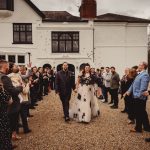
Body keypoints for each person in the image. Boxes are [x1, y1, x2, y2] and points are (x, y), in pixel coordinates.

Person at [0, 60, 22, 150]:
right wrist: (20, 87)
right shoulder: (4, 77)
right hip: (6, 106)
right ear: (5, 67)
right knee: (6, 126)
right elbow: (12, 90)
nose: (9, 67)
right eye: (8, 66)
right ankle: (7, 146)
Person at [126, 62, 150, 133]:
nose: (138, 66)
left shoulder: (145, 75)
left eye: (139, 65)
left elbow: (143, 88)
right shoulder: (139, 74)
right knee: (141, 112)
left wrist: (137, 96)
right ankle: (146, 127)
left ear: (143, 66)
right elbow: (133, 83)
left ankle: (139, 128)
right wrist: (129, 91)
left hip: (140, 97)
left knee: (139, 113)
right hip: (137, 96)